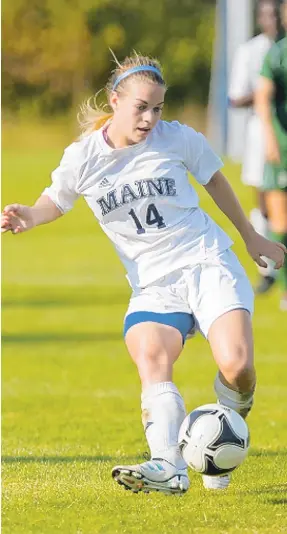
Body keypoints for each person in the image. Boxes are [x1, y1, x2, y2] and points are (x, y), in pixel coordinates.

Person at [2, 53, 286, 495]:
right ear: (115, 100)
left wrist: (252, 237)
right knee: (150, 354)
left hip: (207, 262)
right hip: (154, 284)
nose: (151, 118)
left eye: (158, 108)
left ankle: (222, 439)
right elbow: (55, 201)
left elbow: (215, 181)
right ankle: (167, 464)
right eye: (141, 107)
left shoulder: (178, 139)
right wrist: (29, 216)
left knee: (238, 366)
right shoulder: (84, 157)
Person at [229, 0, 280, 295]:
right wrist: (267, 92)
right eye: (266, 15)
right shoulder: (250, 51)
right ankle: (267, 269)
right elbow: (235, 98)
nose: (271, 20)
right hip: (260, 133)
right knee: (263, 200)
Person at [255, 0, 287, 311]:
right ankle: (284, 288)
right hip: (283, 146)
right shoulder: (277, 53)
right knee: (281, 219)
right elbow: (262, 98)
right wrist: (270, 138)